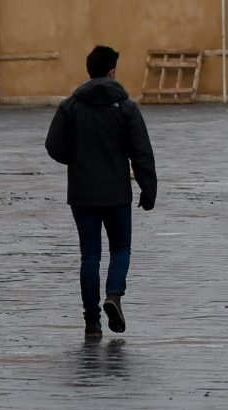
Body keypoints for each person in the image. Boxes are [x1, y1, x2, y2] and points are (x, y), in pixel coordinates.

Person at [45, 44, 157, 340]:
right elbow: (141, 152)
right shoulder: (125, 107)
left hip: (82, 192)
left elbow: (53, 146)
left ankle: (92, 321)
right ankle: (114, 295)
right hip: (117, 192)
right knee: (120, 248)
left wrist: (78, 159)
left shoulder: (70, 106)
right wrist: (149, 191)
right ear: (112, 71)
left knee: (89, 255)